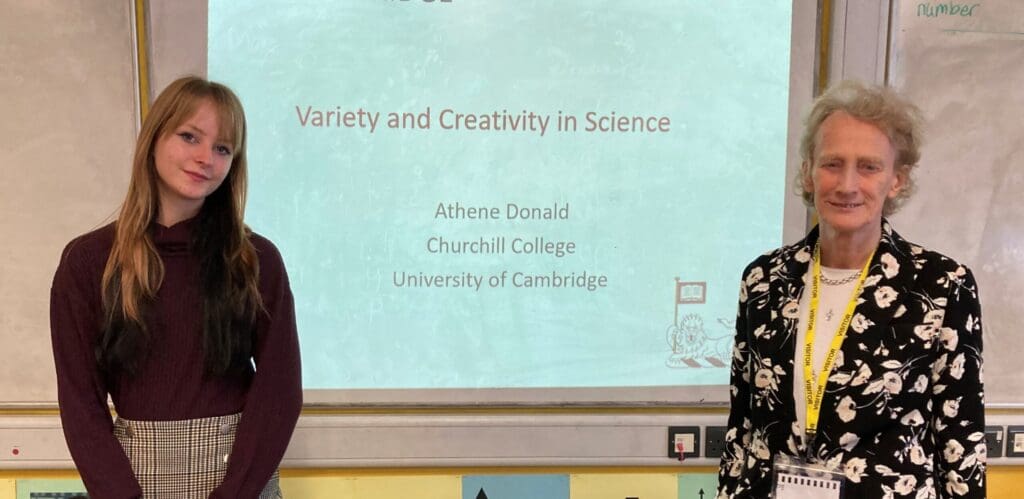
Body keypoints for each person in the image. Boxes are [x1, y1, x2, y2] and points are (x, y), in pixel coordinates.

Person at [716, 80, 985, 498]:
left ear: (897, 179)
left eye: (869, 166)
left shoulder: (941, 286)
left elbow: (961, 444)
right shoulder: (764, 280)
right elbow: (742, 428)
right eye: (832, 163)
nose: (847, 184)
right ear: (808, 170)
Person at [50, 76, 302, 498]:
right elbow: (80, 403)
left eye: (222, 148)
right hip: (132, 481)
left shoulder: (255, 260)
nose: (206, 158)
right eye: (190, 137)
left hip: (239, 480)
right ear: (154, 139)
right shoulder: (89, 262)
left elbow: (280, 389)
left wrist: (235, 493)